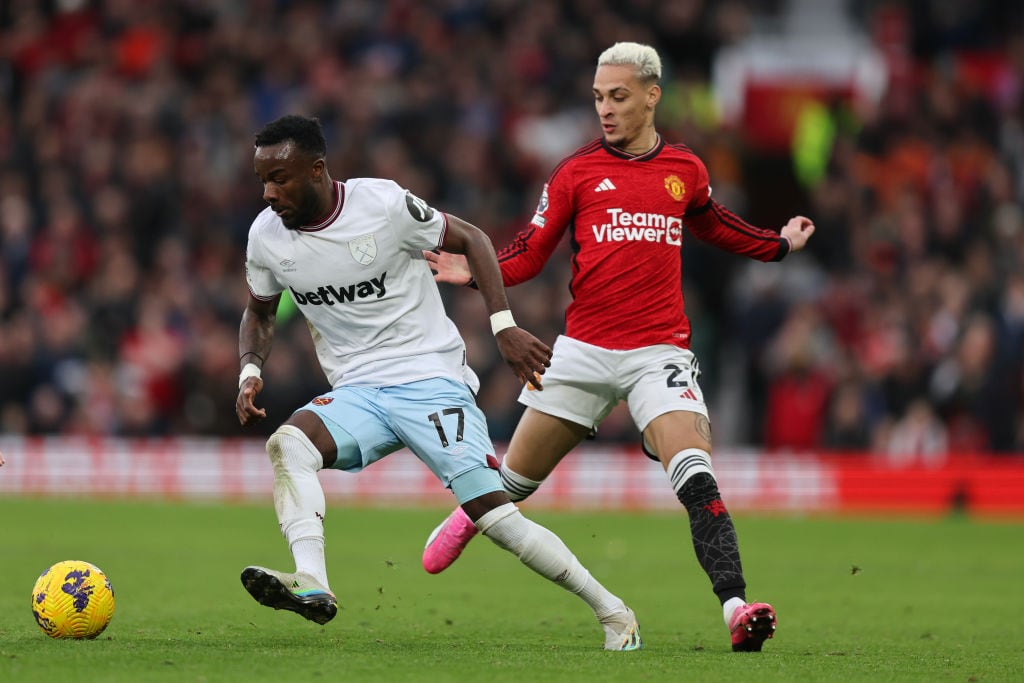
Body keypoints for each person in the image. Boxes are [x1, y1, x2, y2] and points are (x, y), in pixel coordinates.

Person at [421, 42, 816, 653]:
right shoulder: (575, 172)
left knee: (696, 477)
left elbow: (717, 226)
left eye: (619, 96)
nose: (605, 109)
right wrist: (472, 271)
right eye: (599, 98)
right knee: (516, 484)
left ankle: (737, 609)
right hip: (580, 351)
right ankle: (471, 513)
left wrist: (780, 245)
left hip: (659, 354)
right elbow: (528, 251)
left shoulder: (685, 170)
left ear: (652, 96)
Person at [235, 114, 641, 651]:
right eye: (262, 179)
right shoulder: (266, 237)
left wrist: (504, 326)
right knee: (289, 445)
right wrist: (250, 368)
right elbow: (260, 311)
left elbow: (471, 238)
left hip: (429, 379)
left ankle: (614, 613)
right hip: (358, 390)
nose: (268, 193)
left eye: (279, 178)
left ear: (316, 169)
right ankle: (312, 581)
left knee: (495, 518)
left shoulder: (380, 205)